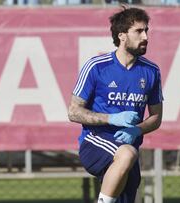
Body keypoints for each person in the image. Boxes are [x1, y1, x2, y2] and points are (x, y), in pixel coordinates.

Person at [68, 6, 163, 203]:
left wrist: (137, 130)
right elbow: (73, 112)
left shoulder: (151, 71)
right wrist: (111, 118)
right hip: (95, 141)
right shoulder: (97, 66)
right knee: (127, 154)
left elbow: (156, 118)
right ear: (122, 36)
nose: (145, 36)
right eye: (138, 31)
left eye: (147, 30)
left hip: (129, 149)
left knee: (128, 159)